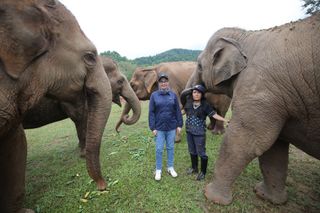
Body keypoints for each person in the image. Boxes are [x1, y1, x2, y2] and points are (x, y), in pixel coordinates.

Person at [180, 84, 229, 181]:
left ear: (202, 94)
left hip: (199, 133)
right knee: (192, 151)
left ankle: (203, 172)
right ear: (192, 93)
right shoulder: (189, 103)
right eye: (194, 92)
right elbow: (183, 112)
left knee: (201, 153)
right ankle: (194, 168)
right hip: (189, 131)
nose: (196, 94)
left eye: (198, 93)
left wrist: (225, 120)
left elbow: (214, 115)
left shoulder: (205, 105)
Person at [149, 73, 183, 181]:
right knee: (159, 149)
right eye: (161, 81)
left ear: (168, 83)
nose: (163, 83)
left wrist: (179, 124)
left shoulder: (173, 95)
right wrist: (152, 127)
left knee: (170, 147)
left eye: (165, 81)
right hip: (159, 127)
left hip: (171, 127)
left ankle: (170, 167)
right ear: (159, 83)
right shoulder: (154, 95)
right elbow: (151, 112)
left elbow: (177, 111)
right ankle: (158, 169)